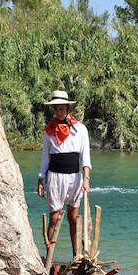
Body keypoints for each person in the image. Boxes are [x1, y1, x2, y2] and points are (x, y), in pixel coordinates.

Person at [36, 89, 92, 260]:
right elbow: (46, 156)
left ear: (68, 108)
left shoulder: (80, 129)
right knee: (54, 217)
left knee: (73, 218)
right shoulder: (49, 131)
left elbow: (85, 156)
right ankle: (49, 257)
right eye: (56, 109)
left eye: (62, 108)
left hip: (74, 177)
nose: (59, 111)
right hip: (55, 177)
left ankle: (76, 254)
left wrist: (86, 178)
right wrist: (40, 179)